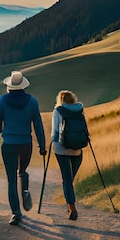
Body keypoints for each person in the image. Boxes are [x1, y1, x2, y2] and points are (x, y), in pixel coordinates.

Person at [0, 71, 46, 225]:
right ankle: (25, 192)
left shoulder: (1, 101)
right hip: (26, 145)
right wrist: (42, 146)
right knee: (22, 171)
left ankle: (16, 213)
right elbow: (38, 126)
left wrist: (4, 127)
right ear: (24, 86)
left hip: (9, 144)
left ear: (9, 86)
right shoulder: (32, 102)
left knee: (11, 180)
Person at [52, 90, 85, 220]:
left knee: (67, 179)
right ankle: (69, 201)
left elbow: (55, 131)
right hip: (77, 149)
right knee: (69, 179)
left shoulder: (58, 111)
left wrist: (52, 141)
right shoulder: (80, 110)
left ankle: (72, 207)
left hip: (61, 149)